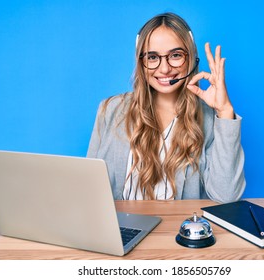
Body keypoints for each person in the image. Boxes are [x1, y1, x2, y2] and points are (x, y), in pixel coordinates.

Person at [87, 12, 245, 203]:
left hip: (178, 230)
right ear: (141, 62)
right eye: (153, 57)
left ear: (191, 58)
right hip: (120, 230)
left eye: (176, 55)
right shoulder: (110, 110)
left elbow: (226, 197)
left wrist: (225, 111)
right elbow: (89, 188)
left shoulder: (211, 119)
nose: (164, 69)